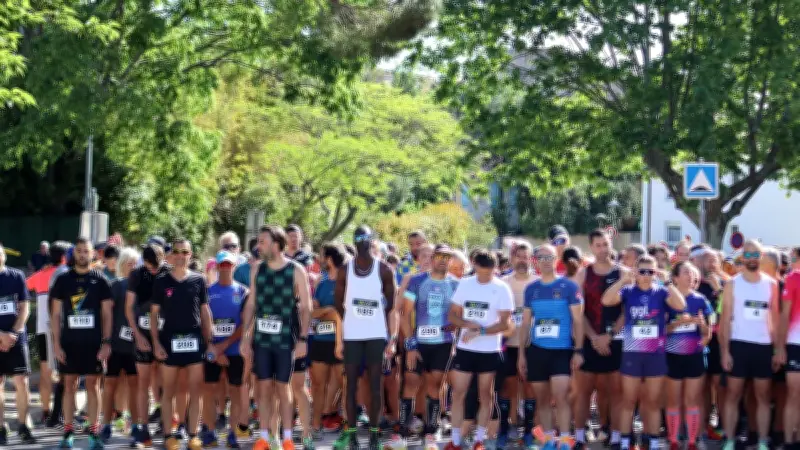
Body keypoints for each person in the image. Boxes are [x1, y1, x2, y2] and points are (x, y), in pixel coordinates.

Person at [602, 254, 686, 450]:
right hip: (632, 353)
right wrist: (623, 280)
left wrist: (668, 282)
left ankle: (653, 442)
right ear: (636, 273)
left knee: (653, 401)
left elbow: (681, 306)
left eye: (651, 271)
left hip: (655, 354)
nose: (646, 275)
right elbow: (606, 300)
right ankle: (625, 441)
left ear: (656, 272)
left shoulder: (662, 292)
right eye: (642, 271)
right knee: (628, 400)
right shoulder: (629, 291)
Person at [240, 225, 312, 450]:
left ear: (276, 244)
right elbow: (252, 303)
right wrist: (244, 336)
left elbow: (307, 308)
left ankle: (288, 438)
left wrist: (302, 339)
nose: (258, 246)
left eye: (262, 241)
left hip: (285, 339)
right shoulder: (257, 270)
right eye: (259, 242)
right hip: (262, 339)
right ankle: (265, 437)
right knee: (263, 388)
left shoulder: (296, 270)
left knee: (284, 388)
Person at [333, 225, 396, 450]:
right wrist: (349, 324)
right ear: (354, 241)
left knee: (375, 385)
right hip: (352, 335)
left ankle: (374, 433)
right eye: (358, 238)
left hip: (376, 335)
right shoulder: (345, 270)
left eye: (365, 238)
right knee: (350, 385)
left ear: (372, 241)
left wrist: (392, 338)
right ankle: (351, 434)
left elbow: (391, 306)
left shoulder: (384, 270)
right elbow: (337, 304)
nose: (361, 242)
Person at [391, 244, 459, 450]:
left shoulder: (456, 284)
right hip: (418, 343)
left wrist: (454, 325)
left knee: (435, 385)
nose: (442, 260)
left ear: (451, 260)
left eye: (447, 257)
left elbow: (460, 314)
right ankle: (402, 429)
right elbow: (404, 314)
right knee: (411, 381)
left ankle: (431, 430)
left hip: (443, 344)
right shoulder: (417, 281)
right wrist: (410, 345)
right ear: (433, 258)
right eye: (438, 256)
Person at [445, 249, 513, 450]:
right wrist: (468, 325)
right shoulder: (465, 285)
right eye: (482, 272)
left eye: (490, 272)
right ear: (475, 266)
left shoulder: (501, 288)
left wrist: (481, 331)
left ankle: (479, 440)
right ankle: (456, 441)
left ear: (495, 268)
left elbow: (505, 324)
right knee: (458, 393)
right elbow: (452, 316)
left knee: (485, 394)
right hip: (466, 350)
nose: (486, 276)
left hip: (489, 351)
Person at [50, 238, 114, 449]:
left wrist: (106, 343)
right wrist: (56, 345)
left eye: (86, 251)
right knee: (69, 385)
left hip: (93, 343)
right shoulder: (63, 280)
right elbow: (56, 315)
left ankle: (93, 432)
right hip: (69, 343)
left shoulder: (101, 280)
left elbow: (107, 314)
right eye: (79, 251)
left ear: (93, 254)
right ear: (73, 254)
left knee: (93, 386)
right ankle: (68, 431)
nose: (82, 255)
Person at [518, 244, 583, 450]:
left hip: (562, 350)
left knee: (561, 397)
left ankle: (564, 440)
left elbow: (578, 321)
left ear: (557, 260)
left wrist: (578, 350)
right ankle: (548, 439)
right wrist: (521, 354)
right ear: (535, 261)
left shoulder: (569, 287)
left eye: (550, 257)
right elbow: (526, 323)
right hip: (537, 350)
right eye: (541, 257)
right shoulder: (531, 289)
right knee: (542, 399)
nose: (546, 261)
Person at [150, 238, 214, 450]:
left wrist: (210, 341)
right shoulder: (161, 281)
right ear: (170, 255)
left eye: (184, 252)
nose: (180, 256)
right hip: (169, 340)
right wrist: (156, 343)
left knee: (196, 390)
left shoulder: (199, 280)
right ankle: (169, 435)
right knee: (168, 391)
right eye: (176, 252)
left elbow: (205, 312)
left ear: (190, 254)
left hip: (194, 341)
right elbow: (153, 315)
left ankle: (193, 434)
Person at [719, 240, 782, 450]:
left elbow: (775, 319)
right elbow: (725, 319)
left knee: (763, 396)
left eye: (756, 254)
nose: (752, 258)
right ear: (742, 257)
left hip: (763, 346)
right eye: (748, 254)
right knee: (733, 395)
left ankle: (763, 441)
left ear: (761, 256)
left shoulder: (771, 284)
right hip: (739, 345)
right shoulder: (732, 284)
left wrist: (777, 350)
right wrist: (725, 351)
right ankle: (729, 439)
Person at [574, 229, 622, 450]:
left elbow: (627, 311)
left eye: (606, 244)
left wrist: (609, 336)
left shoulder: (624, 274)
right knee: (583, 391)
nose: (603, 249)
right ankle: (580, 436)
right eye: (598, 245)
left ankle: (613, 436)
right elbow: (578, 311)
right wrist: (593, 337)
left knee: (614, 392)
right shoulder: (584, 274)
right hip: (589, 339)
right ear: (591, 247)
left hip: (615, 340)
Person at [201, 251, 250, 449]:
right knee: (209, 391)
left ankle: (232, 434)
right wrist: (214, 347)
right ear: (217, 267)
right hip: (212, 349)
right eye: (222, 265)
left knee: (236, 391)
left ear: (234, 267)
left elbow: (245, 323)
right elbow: (203, 321)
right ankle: (210, 432)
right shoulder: (207, 291)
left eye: (229, 265)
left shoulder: (243, 292)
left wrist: (224, 346)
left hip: (234, 350)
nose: (225, 268)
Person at [664, 262, 713, 450]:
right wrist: (677, 323)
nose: (691, 276)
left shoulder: (701, 300)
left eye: (693, 273)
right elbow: (662, 329)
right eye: (686, 273)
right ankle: (674, 440)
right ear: (675, 278)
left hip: (694, 355)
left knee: (692, 399)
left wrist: (703, 328)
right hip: (672, 355)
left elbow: (709, 330)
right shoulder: (667, 299)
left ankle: (692, 441)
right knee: (673, 400)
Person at [126, 243, 170, 447]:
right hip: (143, 334)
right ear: (144, 262)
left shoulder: (168, 273)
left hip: (165, 335)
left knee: (166, 383)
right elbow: (128, 308)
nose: (154, 270)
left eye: (157, 266)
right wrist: (137, 334)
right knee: (143, 382)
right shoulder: (136, 275)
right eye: (150, 266)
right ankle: (142, 428)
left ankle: (169, 423)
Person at [496, 241, 537, 449]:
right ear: (511, 258)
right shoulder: (502, 282)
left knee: (530, 385)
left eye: (525, 256)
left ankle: (529, 430)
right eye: (518, 256)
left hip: (532, 344)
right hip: (507, 344)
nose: (522, 260)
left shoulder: (539, 282)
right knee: (507, 386)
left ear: (532, 258)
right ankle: (504, 427)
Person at [100, 247, 140, 443]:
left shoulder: (144, 287)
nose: (132, 267)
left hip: (136, 346)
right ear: (122, 266)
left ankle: (135, 424)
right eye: (129, 263)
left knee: (135, 386)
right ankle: (105, 424)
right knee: (110, 385)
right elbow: (106, 315)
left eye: (135, 263)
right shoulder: (116, 286)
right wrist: (105, 341)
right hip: (116, 344)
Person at [25, 241, 67, 427]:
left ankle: (45, 410)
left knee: (45, 372)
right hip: (62, 329)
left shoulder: (41, 274)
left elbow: (25, 286)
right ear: (65, 257)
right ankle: (63, 413)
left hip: (43, 328)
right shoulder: (67, 275)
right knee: (66, 373)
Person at [0, 244, 36, 445]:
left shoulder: (16, 277)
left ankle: (23, 426)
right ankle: (1, 427)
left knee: (21, 382)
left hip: (16, 338)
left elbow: (24, 308)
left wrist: (12, 333)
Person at [310, 244, 346, 435]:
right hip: (320, 340)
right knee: (317, 385)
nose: (320, 260)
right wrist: (329, 312)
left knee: (346, 386)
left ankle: (350, 429)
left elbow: (344, 314)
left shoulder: (347, 283)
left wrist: (331, 313)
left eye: (323, 256)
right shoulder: (321, 283)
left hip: (343, 342)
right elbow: (312, 312)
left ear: (330, 259)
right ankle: (315, 425)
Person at [782, 246, 800, 449]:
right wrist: (781, 347)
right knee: (794, 394)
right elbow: (785, 315)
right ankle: (788, 441)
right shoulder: (794, 277)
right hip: (795, 343)